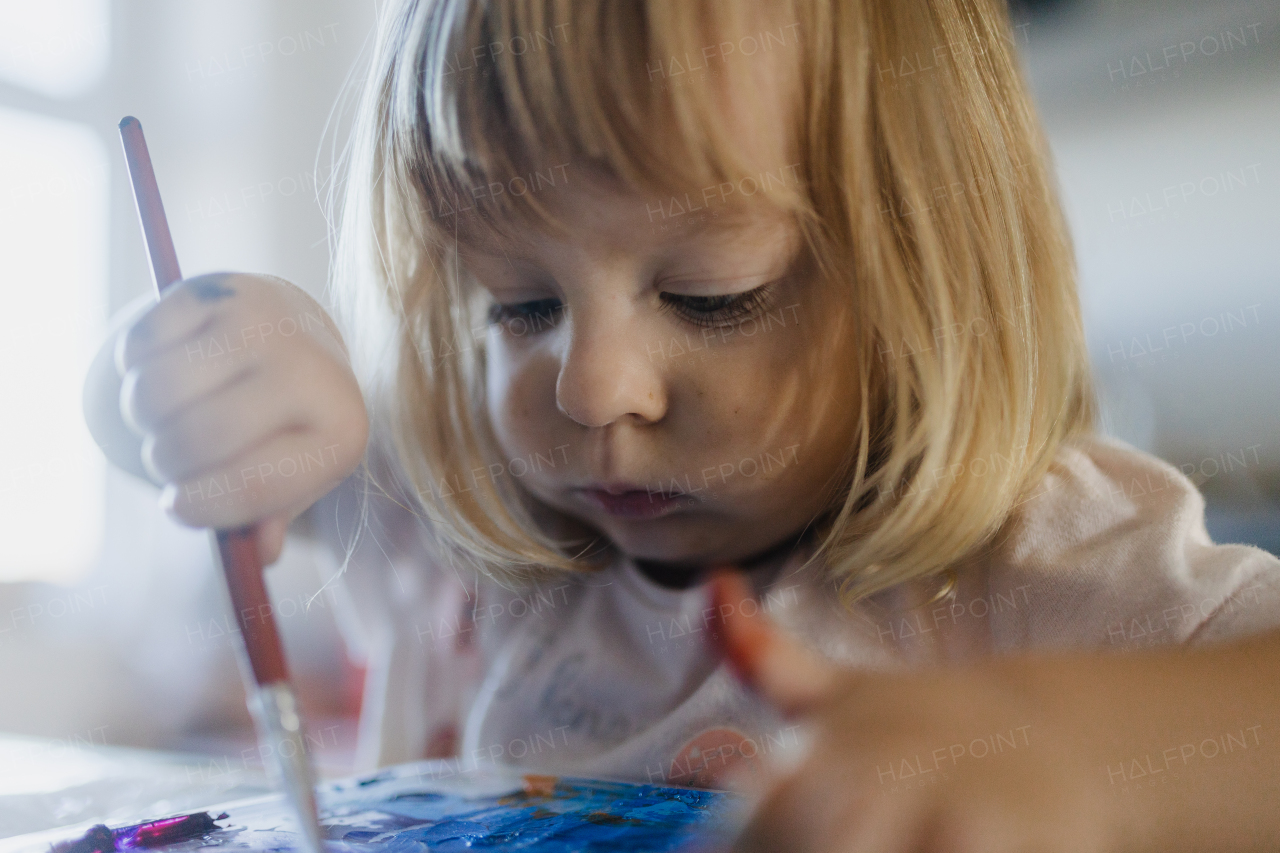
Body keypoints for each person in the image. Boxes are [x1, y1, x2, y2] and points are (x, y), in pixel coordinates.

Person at [83, 0, 1280, 849]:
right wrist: (211, 370)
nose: (591, 392)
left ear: (931, 271)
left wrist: (1072, 748)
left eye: (713, 295)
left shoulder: (1053, 562)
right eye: (520, 302)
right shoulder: (457, 503)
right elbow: (164, 431)